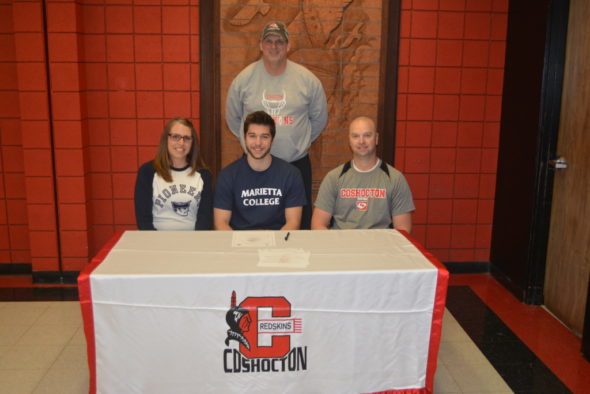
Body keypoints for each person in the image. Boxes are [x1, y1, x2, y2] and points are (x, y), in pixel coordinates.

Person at [225, 21, 327, 229]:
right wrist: (253, 144)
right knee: (253, 224)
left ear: (289, 45)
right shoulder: (244, 80)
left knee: (297, 228)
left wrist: (300, 141)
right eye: (268, 41)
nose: (274, 46)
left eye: (279, 41)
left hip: (295, 165)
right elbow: (234, 119)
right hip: (254, 166)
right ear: (260, 45)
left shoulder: (307, 80)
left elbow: (319, 119)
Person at [312, 116, 414, 232]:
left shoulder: (395, 178)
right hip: (343, 246)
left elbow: (403, 229)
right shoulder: (333, 178)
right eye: (355, 136)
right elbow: (318, 224)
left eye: (367, 135)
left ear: (376, 138)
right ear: (349, 140)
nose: (361, 141)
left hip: (379, 247)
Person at [214, 111, 306, 230]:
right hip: (239, 242)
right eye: (252, 136)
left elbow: (293, 223)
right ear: (245, 138)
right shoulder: (227, 175)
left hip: (277, 242)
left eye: (264, 137)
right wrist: (238, 247)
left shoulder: (291, 174)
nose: (258, 143)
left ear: (272, 140)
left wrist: (275, 246)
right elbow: (221, 223)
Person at [134, 117, 213, 230]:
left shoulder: (204, 174)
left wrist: (196, 243)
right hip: (156, 242)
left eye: (186, 138)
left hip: (193, 242)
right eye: (175, 137)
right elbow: (143, 219)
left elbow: (205, 219)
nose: (181, 143)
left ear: (192, 143)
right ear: (166, 139)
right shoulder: (147, 172)